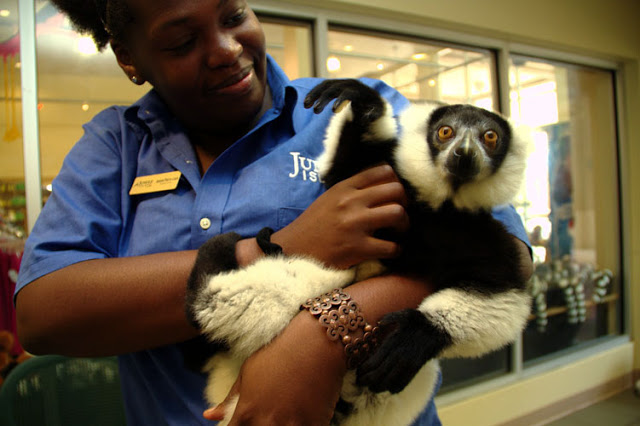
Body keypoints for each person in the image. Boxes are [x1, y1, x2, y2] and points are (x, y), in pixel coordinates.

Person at [14, 0, 533, 425]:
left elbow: (505, 259)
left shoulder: (354, 109)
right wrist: (283, 247)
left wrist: (323, 334)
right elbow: (42, 315)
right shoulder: (114, 146)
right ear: (131, 60)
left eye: (234, 14)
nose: (226, 49)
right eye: (182, 41)